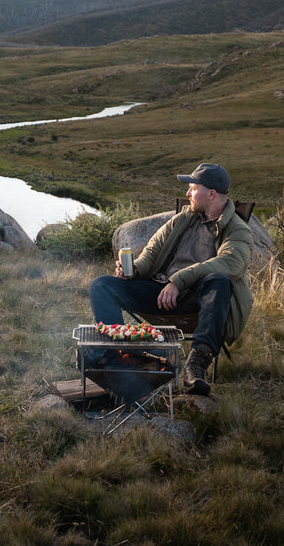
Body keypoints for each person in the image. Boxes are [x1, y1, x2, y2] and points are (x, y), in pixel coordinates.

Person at [88, 163, 254, 396]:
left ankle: (195, 366)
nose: (187, 194)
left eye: (193, 188)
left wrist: (178, 281)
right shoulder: (182, 220)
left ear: (211, 194)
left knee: (220, 281)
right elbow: (152, 253)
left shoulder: (237, 230)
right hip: (160, 293)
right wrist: (134, 270)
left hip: (196, 302)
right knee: (101, 285)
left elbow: (231, 263)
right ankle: (118, 357)